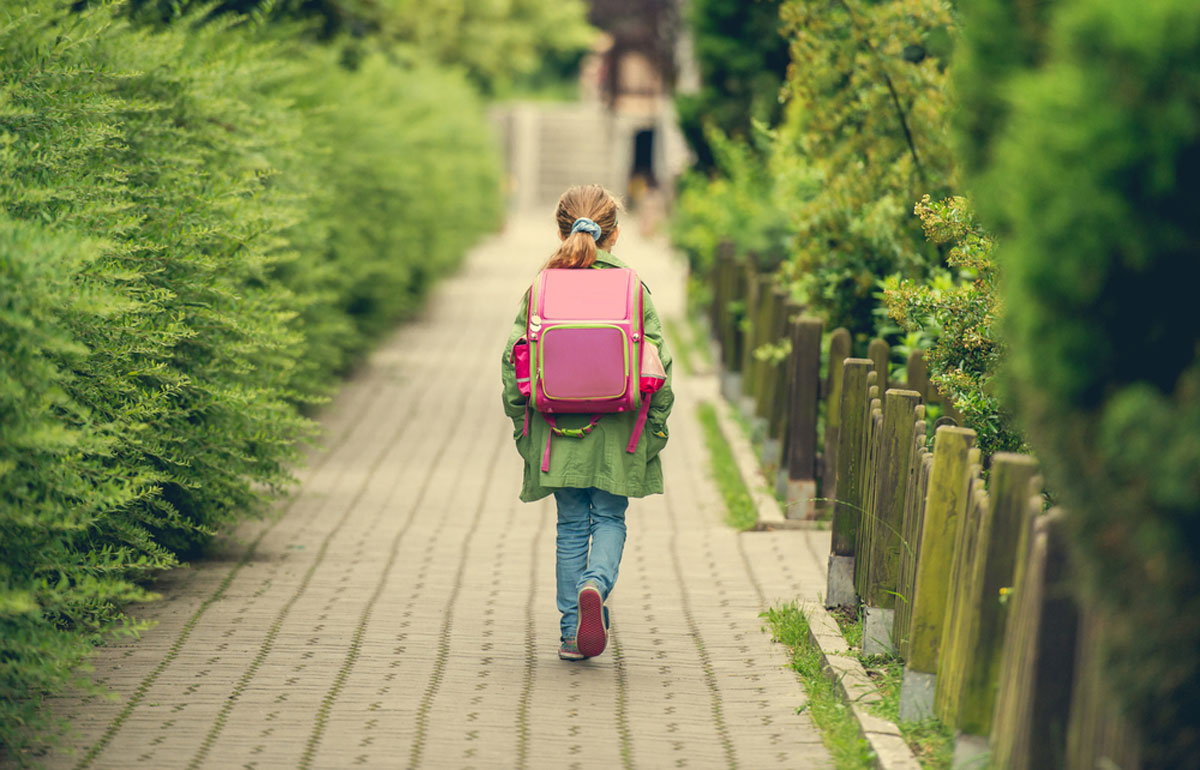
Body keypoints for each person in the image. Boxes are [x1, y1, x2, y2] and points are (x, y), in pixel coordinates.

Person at [501, 185, 674, 661]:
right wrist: (654, 432)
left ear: (561, 229)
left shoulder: (542, 286)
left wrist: (524, 429)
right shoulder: (632, 287)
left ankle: (573, 632)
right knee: (611, 518)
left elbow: (513, 364)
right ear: (614, 234)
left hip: (557, 428)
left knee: (572, 527)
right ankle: (595, 583)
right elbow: (660, 365)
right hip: (619, 428)